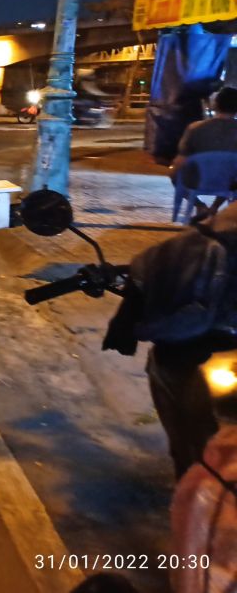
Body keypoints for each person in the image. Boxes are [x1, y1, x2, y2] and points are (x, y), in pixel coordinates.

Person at [104, 203, 237, 478]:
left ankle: (193, 474)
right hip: (202, 349)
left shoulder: (204, 238)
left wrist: (131, 320)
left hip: (196, 347)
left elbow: (148, 271)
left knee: (174, 373)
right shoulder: (205, 240)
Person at [169, 86, 237, 218]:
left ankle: (200, 206)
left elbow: (180, 161)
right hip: (229, 183)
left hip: (197, 180)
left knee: (175, 175)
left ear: (215, 104)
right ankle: (215, 207)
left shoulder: (195, 128)